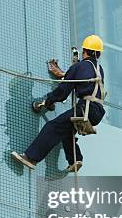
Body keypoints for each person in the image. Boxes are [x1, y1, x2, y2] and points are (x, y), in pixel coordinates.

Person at [11, 35, 105, 172]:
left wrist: (47, 101)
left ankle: (30, 158)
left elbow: (62, 93)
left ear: (85, 51)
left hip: (86, 108)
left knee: (53, 127)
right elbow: (81, 79)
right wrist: (64, 74)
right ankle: (75, 159)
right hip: (96, 111)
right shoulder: (98, 69)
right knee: (66, 130)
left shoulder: (79, 66)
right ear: (98, 54)